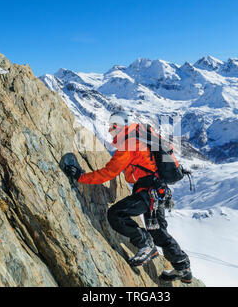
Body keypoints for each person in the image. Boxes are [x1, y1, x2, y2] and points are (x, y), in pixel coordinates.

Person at [64, 111, 192, 283]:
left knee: (116, 214)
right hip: (159, 192)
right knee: (158, 231)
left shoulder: (128, 144)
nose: (109, 131)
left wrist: (81, 176)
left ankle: (145, 244)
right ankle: (183, 267)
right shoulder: (141, 139)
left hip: (147, 190)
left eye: (111, 127)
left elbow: (109, 172)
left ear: (117, 126)